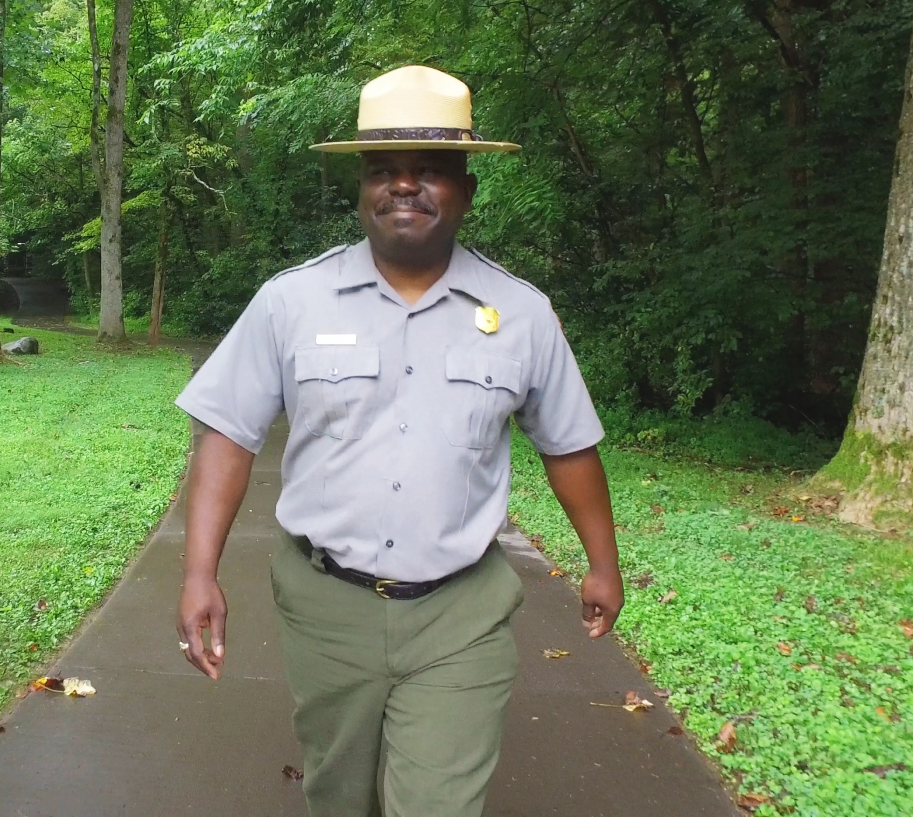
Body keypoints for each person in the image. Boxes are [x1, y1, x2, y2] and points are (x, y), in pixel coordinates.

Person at [172, 65, 624, 817]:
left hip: (462, 613)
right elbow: (228, 432)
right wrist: (197, 573)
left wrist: (603, 563)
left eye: (430, 171)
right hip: (327, 607)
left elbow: (569, 444)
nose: (404, 187)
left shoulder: (523, 313)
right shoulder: (291, 302)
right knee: (340, 794)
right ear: (360, 190)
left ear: (468, 190)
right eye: (384, 170)